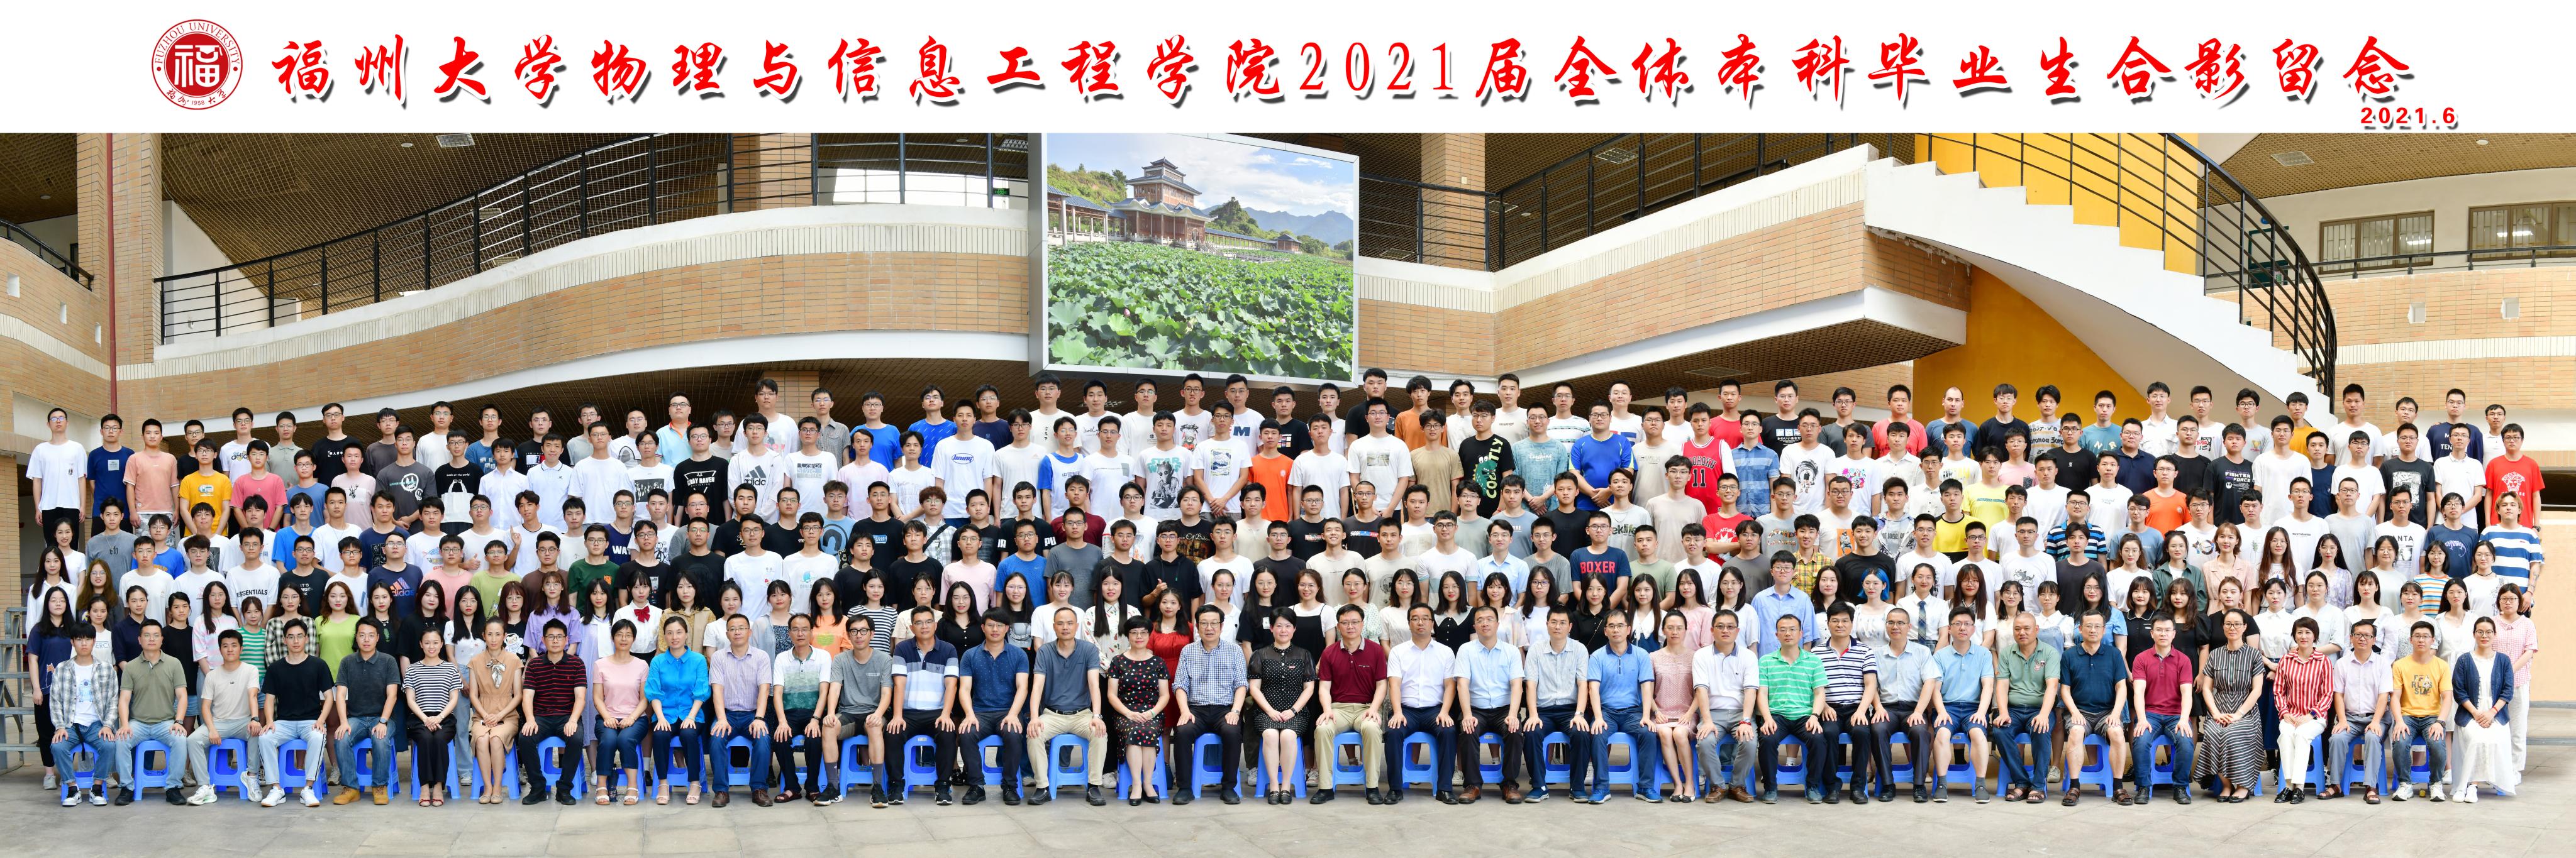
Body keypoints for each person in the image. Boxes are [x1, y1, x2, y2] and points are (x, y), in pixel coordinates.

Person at [1024, 606, 1111, 806]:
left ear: (1077, 626)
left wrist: (1097, 716)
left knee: (1100, 733)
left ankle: (1094, 786)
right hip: (1052, 714)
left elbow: (1094, 685)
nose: (1065, 627)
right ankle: (1043, 787)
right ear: (1054, 627)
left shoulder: (1088, 650)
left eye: (1070, 623)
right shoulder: (1045, 651)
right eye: (1061, 623)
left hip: (1082, 714)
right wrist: (1034, 718)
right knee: (1034, 734)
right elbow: (1037, 687)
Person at [1452, 605, 1528, 803]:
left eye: (1489, 619)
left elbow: (1517, 685)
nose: (1485, 624)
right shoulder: (1466, 650)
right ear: (1475, 626)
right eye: (1480, 620)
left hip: (1504, 710)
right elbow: (1462, 684)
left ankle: (1510, 784)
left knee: (1515, 731)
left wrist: (1513, 715)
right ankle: (1473, 785)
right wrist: (1467, 715)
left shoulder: (1511, 652)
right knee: (1467, 730)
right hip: (1476, 709)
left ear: (1497, 624)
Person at [1307, 603, 1382, 804]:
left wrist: (1374, 709)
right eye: (1345, 623)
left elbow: (1382, 685)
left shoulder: (1376, 650)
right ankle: (1325, 787)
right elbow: (1324, 688)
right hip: (1338, 709)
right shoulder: (1329, 653)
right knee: (1322, 729)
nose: (1350, 627)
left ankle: (1373, 787)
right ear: (1338, 626)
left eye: (1355, 622)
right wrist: (1327, 710)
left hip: (1366, 708)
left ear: (1362, 624)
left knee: (1372, 729)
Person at [1382, 603, 1457, 804]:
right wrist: (1397, 712)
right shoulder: (1398, 652)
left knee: (1449, 731)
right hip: (1407, 711)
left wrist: (1445, 712)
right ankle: (1395, 789)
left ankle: (1445, 789)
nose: (1420, 622)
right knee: (1393, 733)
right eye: (1415, 619)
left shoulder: (1445, 652)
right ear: (1409, 624)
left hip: (1435, 711)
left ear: (1432, 623)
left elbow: (1450, 685)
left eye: (1425, 618)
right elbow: (1394, 684)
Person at [953, 609, 1029, 806]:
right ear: (983, 628)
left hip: (1008, 711)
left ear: (1007, 629)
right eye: (991, 625)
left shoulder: (1019, 655)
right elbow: (964, 689)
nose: (995, 629)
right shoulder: (971, 655)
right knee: (966, 733)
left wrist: (1013, 714)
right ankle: (976, 786)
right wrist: (969, 715)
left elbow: (1023, 688)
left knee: (1013, 733)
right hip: (980, 712)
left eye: (1000, 625)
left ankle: (1010, 786)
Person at [256, 619, 333, 807]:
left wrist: (321, 720)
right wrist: (270, 721)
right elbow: (269, 699)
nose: (296, 641)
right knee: (265, 738)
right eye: (291, 637)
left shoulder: (318, 665)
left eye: (300, 636)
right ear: (284, 640)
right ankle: (276, 789)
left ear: (307, 639)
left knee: (318, 736)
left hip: (311, 721)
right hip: (284, 723)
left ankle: (308, 789)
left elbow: (329, 697)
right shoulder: (275, 668)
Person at [2193, 609, 2266, 802]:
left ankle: (2243, 785)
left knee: (2232, 734)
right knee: (2213, 733)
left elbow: (2257, 690)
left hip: (2246, 711)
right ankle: (2227, 785)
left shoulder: (2254, 655)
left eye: (2237, 624)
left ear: (2245, 627)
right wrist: (2216, 714)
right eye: (2228, 624)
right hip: (2220, 708)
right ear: (2223, 627)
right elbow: (2207, 689)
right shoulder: (2215, 655)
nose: (2232, 628)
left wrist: (2239, 714)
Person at [1248, 611, 1316, 805]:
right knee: (1270, 735)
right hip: (1266, 712)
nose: (1283, 630)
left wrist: (1293, 710)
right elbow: (1254, 688)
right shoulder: (1260, 654)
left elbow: (1309, 688)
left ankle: (1286, 786)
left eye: (1288, 626)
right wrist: (1270, 711)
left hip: (1296, 713)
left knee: (1288, 735)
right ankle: (1273, 786)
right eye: (1279, 626)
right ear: (1271, 629)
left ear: (1294, 629)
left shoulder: (1304, 654)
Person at [47, 622, 118, 808]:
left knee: (109, 745)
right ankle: (72, 788)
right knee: (58, 746)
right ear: (72, 642)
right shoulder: (62, 668)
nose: (84, 643)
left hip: (96, 724)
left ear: (94, 641)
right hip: (70, 724)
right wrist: (60, 727)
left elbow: (113, 700)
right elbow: (55, 701)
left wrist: (108, 725)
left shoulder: (106, 669)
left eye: (88, 639)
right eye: (79, 639)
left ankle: (97, 787)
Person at [1103, 616, 1171, 805]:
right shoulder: (1118, 662)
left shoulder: (1158, 662)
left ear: (1149, 635)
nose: (1139, 636)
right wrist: (1129, 713)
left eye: (1143, 633)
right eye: (1134, 633)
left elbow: (1165, 695)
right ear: (1128, 636)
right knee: (1134, 731)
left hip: (1152, 712)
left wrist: (1152, 713)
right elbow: (1112, 695)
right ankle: (1136, 784)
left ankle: (1148, 783)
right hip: (1125, 713)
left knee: (1148, 730)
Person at [1992, 613, 2058, 803]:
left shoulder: (2049, 653)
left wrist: (2044, 715)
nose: (2022, 633)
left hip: (2039, 709)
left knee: (2041, 729)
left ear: (2036, 630)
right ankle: (2021, 782)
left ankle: (2038, 786)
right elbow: (2002, 685)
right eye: (2017, 629)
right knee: (2000, 731)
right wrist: (2003, 712)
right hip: (2013, 709)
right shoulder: (2007, 653)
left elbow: (2052, 686)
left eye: (2027, 628)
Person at [644, 616, 710, 806]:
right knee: (660, 734)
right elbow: (654, 692)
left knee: (689, 734)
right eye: (670, 633)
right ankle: (663, 784)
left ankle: (695, 783)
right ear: (664, 636)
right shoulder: (658, 662)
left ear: (686, 635)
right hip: (665, 713)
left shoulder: (698, 660)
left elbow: (701, 691)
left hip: (693, 714)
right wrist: (661, 718)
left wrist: (691, 717)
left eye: (679, 632)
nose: (675, 637)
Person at [767, 614, 833, 805]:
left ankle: (812, 787)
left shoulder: (823, 656)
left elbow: (824, 691)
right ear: (789, 633)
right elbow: (778, 693)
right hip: (789, 714)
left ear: (812, 632)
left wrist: (815, 719)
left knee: (815, 739)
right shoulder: (782, 658)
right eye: (795, 629)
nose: (800, 633)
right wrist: (782, 722)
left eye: (804, 629)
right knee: (780, 738)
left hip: (813, 713)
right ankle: (792, 788)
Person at [2450, 615, 2516, 802]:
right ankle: (2466, 786)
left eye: (2488, 632)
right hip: (2470, 714)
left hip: (2496, 714)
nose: (2484, 636)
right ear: (2474, 634)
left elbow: (2508, 691)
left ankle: (2471, 786)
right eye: (2480, 632)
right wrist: (2477, 714)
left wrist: (2492, 712)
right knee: (2477, 740)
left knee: (2492, 741)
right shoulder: (2464, 660)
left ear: (2495, 635)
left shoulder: (2503, 660)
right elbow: (2459, 691)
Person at [2325, 619, 2390, 802]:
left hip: (2377, 718)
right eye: (2358, 635)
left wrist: (2376, 722)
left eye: (2367, 636)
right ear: (2351, 638)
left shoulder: (2383, 664)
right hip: (2350, 718)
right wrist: (2342, 720)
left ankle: (2371, 787)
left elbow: (2384, 696)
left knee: (2372, 737)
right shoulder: (2342, 664)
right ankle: (2335, 785)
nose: (2363, 639)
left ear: (2374, 640)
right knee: (2337, 739)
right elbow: (2338, 695)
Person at [2387, 620, 2453, 801]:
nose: (2421, 640)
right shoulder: (2400, 665)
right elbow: (2395, 697)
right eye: (2417, 636)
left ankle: (2436, 784)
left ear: (2433, 640)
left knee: (2437, 744)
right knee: (2400, 741)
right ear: (2410, 640)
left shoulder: (2441, 666)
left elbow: (2448, 697)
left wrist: (2440, 722)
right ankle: (2405, 784)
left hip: (2432, 716)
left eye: (2425, 636)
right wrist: (2399, 721)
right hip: (2407, 716)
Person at [401, 624, 465, 807]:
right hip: (419, 719)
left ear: (442, 644)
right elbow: (411, 700)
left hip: (445, 718)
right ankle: (424, 787)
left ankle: (438, 787)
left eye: (435, 643)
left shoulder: (451, 669)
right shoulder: (413, 670)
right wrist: (426, 719)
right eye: (427, 643)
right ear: (421, 644)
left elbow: (454, 699)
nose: (431, 646)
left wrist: (439, 718)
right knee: (425, 739)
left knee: (438, 739)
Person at [2273, 617, 2333, 804]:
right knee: (2285, 736)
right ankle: (2288, 786)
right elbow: (2279, 691)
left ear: (2315, 636)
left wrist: (2311, 715)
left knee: (2301, 735)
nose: (2304, 636)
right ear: (2294, 635)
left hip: (2315, 717)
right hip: (2290, 715)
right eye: (2300, 632)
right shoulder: (2286, 660)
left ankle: (2298, 787)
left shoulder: (2323, 661)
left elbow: (2328, 694)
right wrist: (2285, 713)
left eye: (2308, 632)